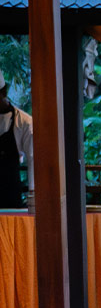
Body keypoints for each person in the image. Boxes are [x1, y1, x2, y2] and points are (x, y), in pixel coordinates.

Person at [0, 73, 34, 210]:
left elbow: (33, 158)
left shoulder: (24, 122)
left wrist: (33, 195)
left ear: (3, 93)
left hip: (11, 194)